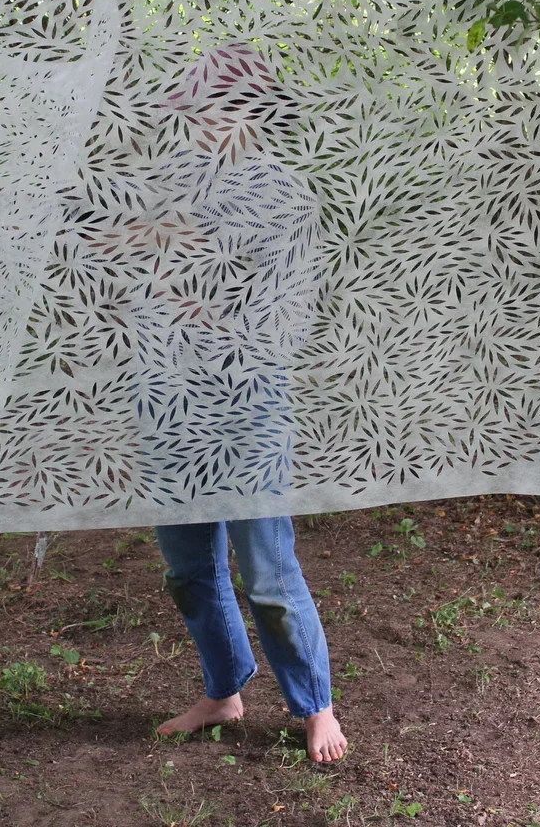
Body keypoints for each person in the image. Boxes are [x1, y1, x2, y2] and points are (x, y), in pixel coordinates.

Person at [124, 44, 347, 764]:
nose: (199, 124)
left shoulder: (283, 196)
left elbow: (282, 321)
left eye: (214, 111)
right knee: (189, 567)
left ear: (251, 118)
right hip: (167, 401)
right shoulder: (164, 189)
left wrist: (192, 297)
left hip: (248, 404)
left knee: (269, 571)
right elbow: (131, 285)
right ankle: (224, 690)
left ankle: (316, 705)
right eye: (193, 112)